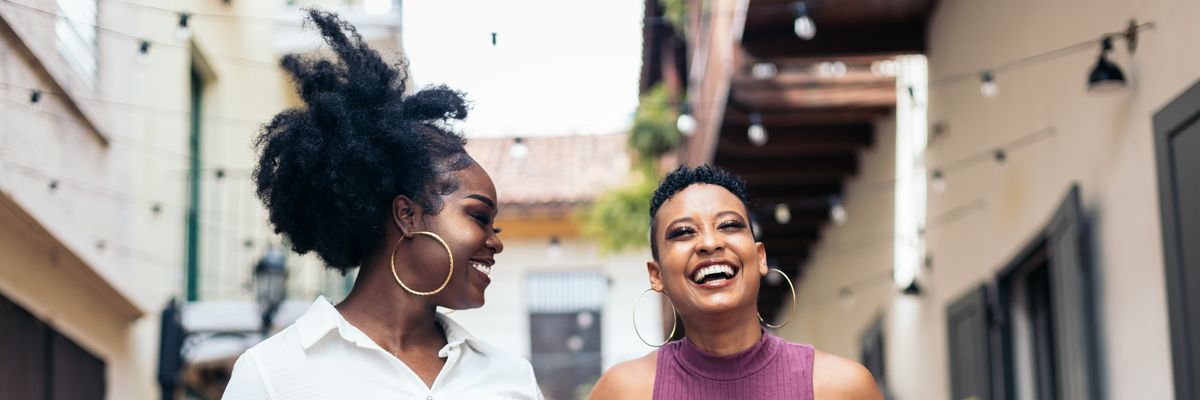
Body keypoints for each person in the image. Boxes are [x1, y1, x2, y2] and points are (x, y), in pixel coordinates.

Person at [222, 9, 541, 399]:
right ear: (407, 215)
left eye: (495, 227)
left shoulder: (510, 379)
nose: (495, 242)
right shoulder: (272, 374)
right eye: (479, 217)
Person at [589, 165, 882, 400]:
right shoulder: (623, 392)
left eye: (729, 225)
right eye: (683, 232)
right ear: (657, 275)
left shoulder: (841, 388)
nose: (709, 242)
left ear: (760, 257)